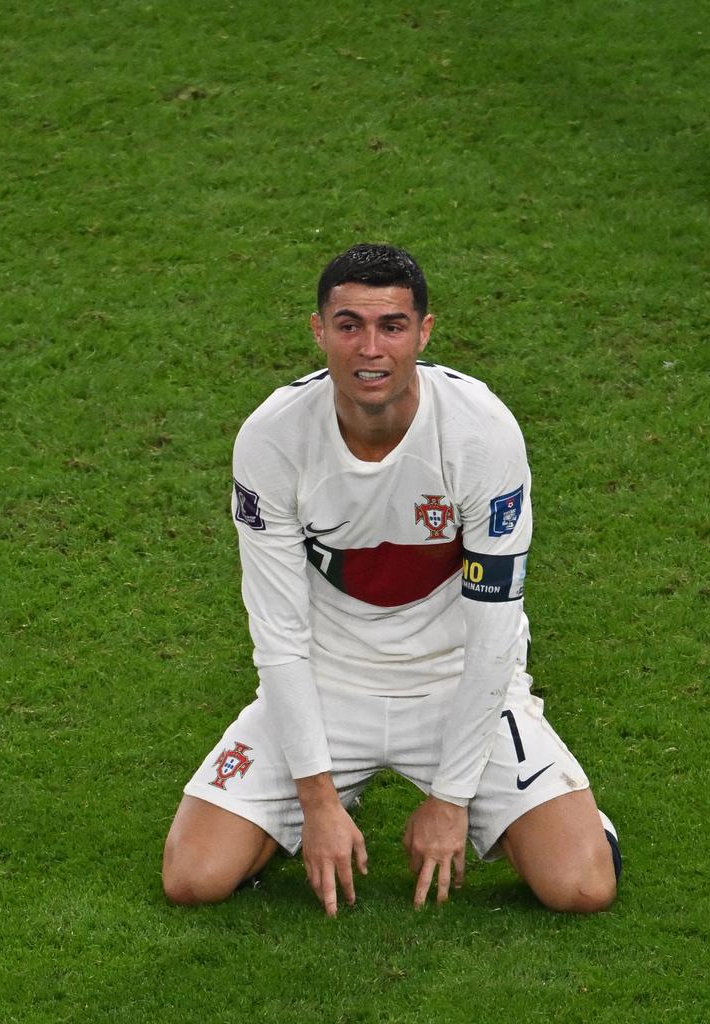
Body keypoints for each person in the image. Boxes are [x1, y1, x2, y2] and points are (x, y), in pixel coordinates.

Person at [163, 243, 621, 916]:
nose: (369, 348)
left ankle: (579, 821)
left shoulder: (482, 434)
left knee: (582, 887)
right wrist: (316, 801)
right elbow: (279, 632)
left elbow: (494, 631)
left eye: (392, 326)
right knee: (192, 878)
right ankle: (301, 821)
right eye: (349, 325)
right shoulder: (272, 439)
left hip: (455, 681)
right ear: (319, 330)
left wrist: (451, 798)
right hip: (327, 682)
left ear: (424, 332)